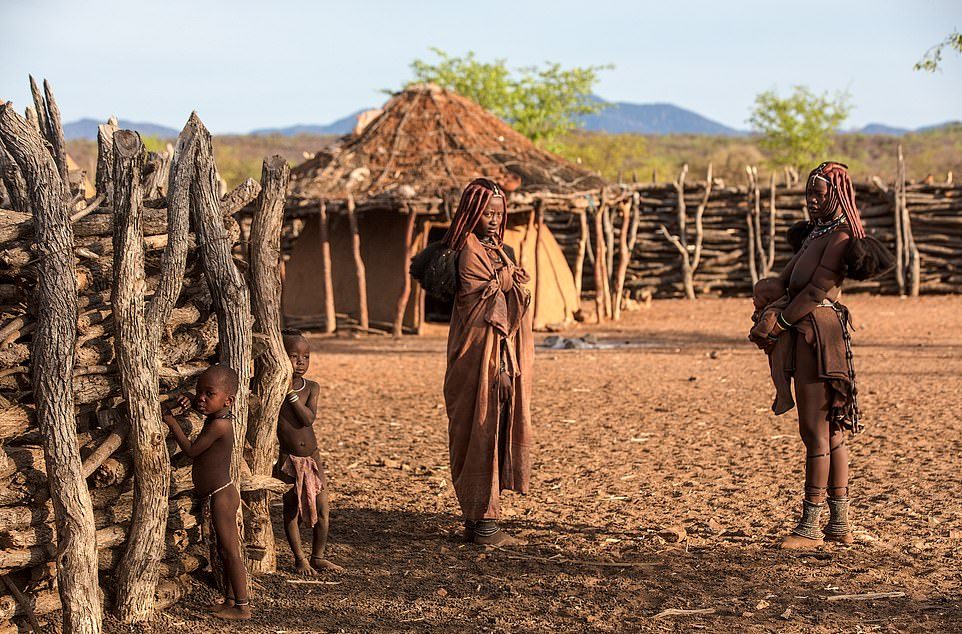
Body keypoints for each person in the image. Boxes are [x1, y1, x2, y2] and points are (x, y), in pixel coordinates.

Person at [751, 161, 891, 549]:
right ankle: (839, 526)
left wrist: (778, 323)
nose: (812, 201)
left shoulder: (842, 237)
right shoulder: (818, 232)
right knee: (827, 431)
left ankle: (811, 527)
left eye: (820, 194)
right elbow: (790, 279)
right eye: (808, 194)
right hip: (805, 331)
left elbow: (815, 293)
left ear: (838, 195)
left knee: (819, 431)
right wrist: (767, 298)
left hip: (818, 336)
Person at [421, 177, 534, 546]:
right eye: (487, 212)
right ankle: (484, 526)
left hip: (492, 354)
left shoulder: (496, 249)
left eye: (499, 214)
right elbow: (482, 301)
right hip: (478, 357)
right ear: (472, 212)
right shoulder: (470, 250)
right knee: (480, 428)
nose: (493, 220)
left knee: (487, 428)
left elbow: (504, 292)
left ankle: (477, 522)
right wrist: (505, 280)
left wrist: (510, 279)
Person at [163, 365, 251, 620]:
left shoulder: (219, 427)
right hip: (219, 494)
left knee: (231, 551)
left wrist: (171, 422)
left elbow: (191, 451)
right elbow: (205, 407)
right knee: (224, 551)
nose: (201, 398)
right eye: (199, 392)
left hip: (222, 496)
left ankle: (243, 607)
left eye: (208, 393)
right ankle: (231, 600)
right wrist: (189, 399)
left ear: (228, 400)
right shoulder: (218, 417)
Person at [274, 329, 341, 574]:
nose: (301, 362)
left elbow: (307, 419)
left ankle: (318, 556)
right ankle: (300, 558)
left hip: (313, 458)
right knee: (291, 510)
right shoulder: (272, 388)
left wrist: (290, 394)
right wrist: (282, 390)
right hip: (288, 459)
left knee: (322, 509)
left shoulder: (311, 387)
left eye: (306, 357)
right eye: (294, 356)